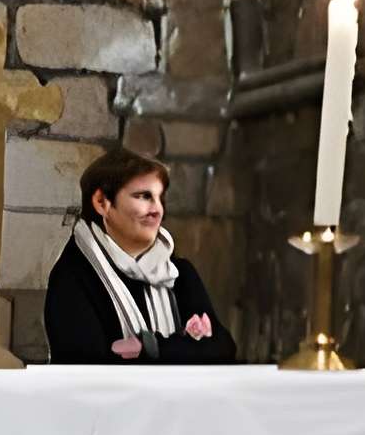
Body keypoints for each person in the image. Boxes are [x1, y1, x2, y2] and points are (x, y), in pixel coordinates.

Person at [44, 147, 237, 363]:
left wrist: (151, 347)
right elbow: (92, 369)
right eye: (144, 196)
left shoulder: (178, 273)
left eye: (159, 197)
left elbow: (223, 348)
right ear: (101, 202)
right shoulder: (73, 278)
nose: (157, 210)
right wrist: (187, 348)